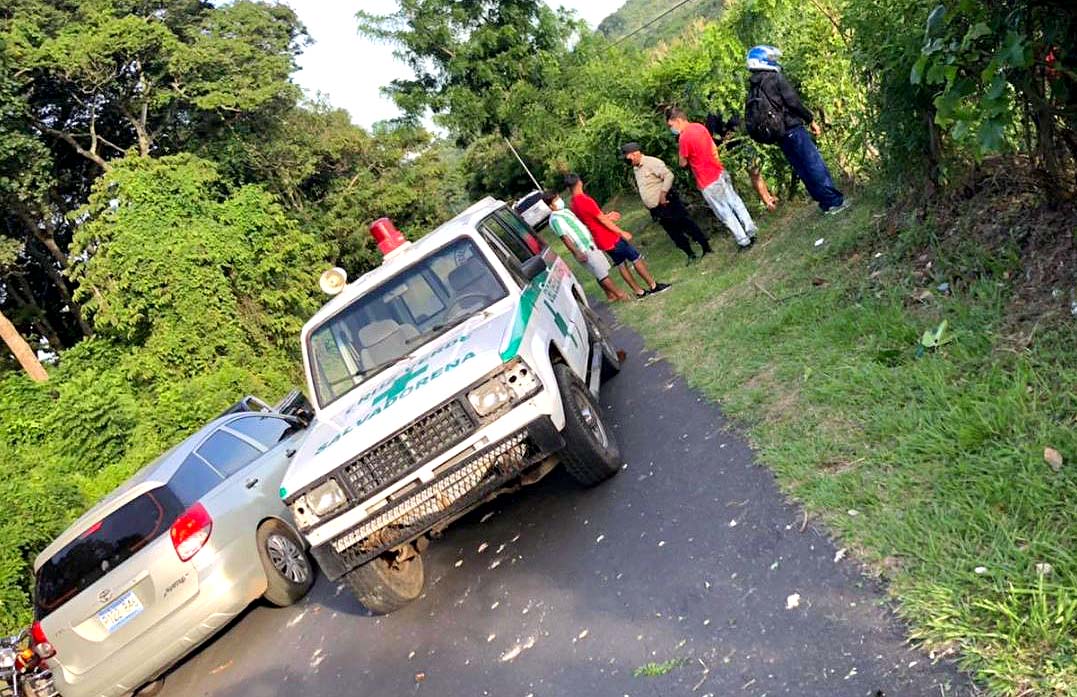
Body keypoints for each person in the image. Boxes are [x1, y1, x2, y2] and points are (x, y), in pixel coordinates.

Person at [745, 45, 849, 215]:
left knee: (802, 168)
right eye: (771, 58)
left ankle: (825, 203)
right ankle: (834, 202)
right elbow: (793, 103)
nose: (774, 61)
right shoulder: (775, 78)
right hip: (793, 128)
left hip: (779, 135)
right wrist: (810, 119)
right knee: (814, 164)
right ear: (763, 60)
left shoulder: (753, 87)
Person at [665, 107, 758, 250]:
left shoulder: (684, 138)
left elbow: (682, 163)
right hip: (718, 170)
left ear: (677, 120)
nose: (671, 129)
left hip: (706, 180)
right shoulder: (699, 126)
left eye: (670, 125)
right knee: (734, 201)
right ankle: (750, 229)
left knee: (723, 211)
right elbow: (713, 146)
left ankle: (743, 240)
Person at [565, 173, 671, 298]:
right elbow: (602, 220)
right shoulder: (585, 200)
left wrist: (608, 216)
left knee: (620, 263)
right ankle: (653, 285)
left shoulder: (573, 204)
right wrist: (621, 232)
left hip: (600, 239)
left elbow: (591, 219)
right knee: (635, 257)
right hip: (609, 236)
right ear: (579, 182)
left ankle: (639, 291)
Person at [620, 142, 712, 263]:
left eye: (627, 156)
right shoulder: (636, 168)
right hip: (657, 208)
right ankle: (690, 254)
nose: (626, 160)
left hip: (668, 202)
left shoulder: (651, 162)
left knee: (687, 225)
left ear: (635, 153)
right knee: (673, 233)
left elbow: (669, 176)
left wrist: (663, 194)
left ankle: (706, 247)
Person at [542, 190, 630, 302]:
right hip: (582, 248)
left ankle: (610, 295)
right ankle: (620, 294)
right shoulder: (555, 219)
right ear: (551, 205)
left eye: (558, 198)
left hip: (590, 243)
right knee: (602, 274)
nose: (560, 201)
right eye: (556, 200)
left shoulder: (565, 212)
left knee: (600, 270)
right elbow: (564, 237)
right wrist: (576, 252)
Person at [705, 113, 779, 212]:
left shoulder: (729, 108)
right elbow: (712, 136)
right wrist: (723, 140)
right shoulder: (712, 115)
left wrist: (734, 132)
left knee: (755, 172)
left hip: (742, 143)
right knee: (739, 177)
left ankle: (768, 200)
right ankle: (764, 201)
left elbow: (740, 124)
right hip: (728, 150)